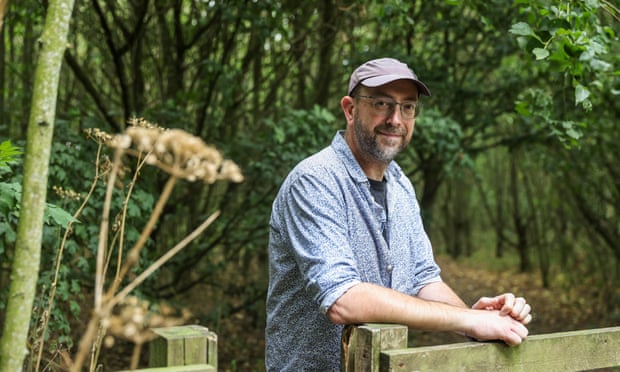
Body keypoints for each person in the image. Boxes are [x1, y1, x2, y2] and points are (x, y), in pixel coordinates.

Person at [265, 57, 532, 371]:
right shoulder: (315, 181)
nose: (396, 118)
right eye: (381, 103)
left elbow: (421, 279)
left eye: (408, 107)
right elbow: (342, 299)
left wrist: (479, 320)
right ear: (350, 110)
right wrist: (469, 320)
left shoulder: (401, 186)